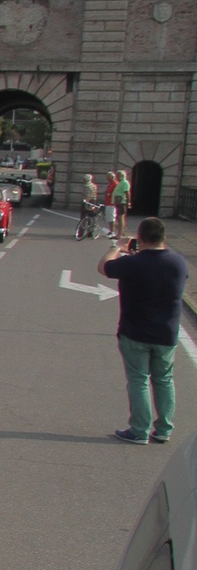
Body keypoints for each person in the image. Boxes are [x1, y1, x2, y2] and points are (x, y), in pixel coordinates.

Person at [98, 217, 188, 444]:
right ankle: (164, 429)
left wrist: (117, 247)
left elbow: (104, 267)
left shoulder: (133, 263)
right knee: (164, 379)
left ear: (140, 238)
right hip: (166, 333)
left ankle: (139, 430)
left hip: (135, 331)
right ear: (164, 237)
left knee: (139, 380)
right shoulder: (178, 263)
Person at [112, 170, 131, 240]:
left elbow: (127, 193)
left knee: (121, 218)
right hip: (119, 202)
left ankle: (120, 234)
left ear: (122, 176)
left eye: (118, 175)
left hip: (122, 202)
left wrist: (128, 202)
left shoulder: (125, 183)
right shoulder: (121, 182)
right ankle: (120, 233)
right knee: (119, 218)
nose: (116, 177)